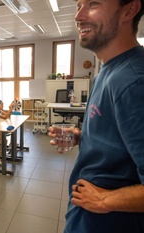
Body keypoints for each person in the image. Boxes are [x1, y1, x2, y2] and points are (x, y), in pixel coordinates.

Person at [48, 0, 144, 232]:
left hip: (110, 221)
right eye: (78, 5)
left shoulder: (133, 81)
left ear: (129, 10)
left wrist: (105, 200)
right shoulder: (109, 70)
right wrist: (83, 137)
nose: (78, 16)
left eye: (93, 3)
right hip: (88, 216)